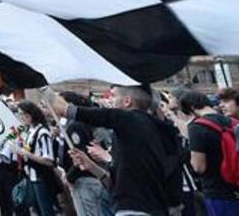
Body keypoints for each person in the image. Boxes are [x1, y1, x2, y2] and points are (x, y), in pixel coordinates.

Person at [51, 85, 182, 216]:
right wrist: (91, 166)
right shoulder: (163, 131)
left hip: (133, 210)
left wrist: (44, 88)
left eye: (113, 95)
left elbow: (67, 110)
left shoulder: (126, 119)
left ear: (127, 101)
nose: (110, 101)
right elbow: (115, 183)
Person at [173, 89, 239, 216]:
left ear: (192, 108)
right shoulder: (232, 121)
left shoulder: (197, 127)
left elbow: (199, 167)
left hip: (217, 190)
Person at [15, 100, 58, 216]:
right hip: (31, 176)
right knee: (36, 208)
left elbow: (49, 161)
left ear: (30, 114)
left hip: (40, 177)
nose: (21, 117)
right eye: (19, 114)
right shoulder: (30, 130)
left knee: (45, 210)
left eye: (23, 114)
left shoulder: (42, 132)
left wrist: (26, 153)